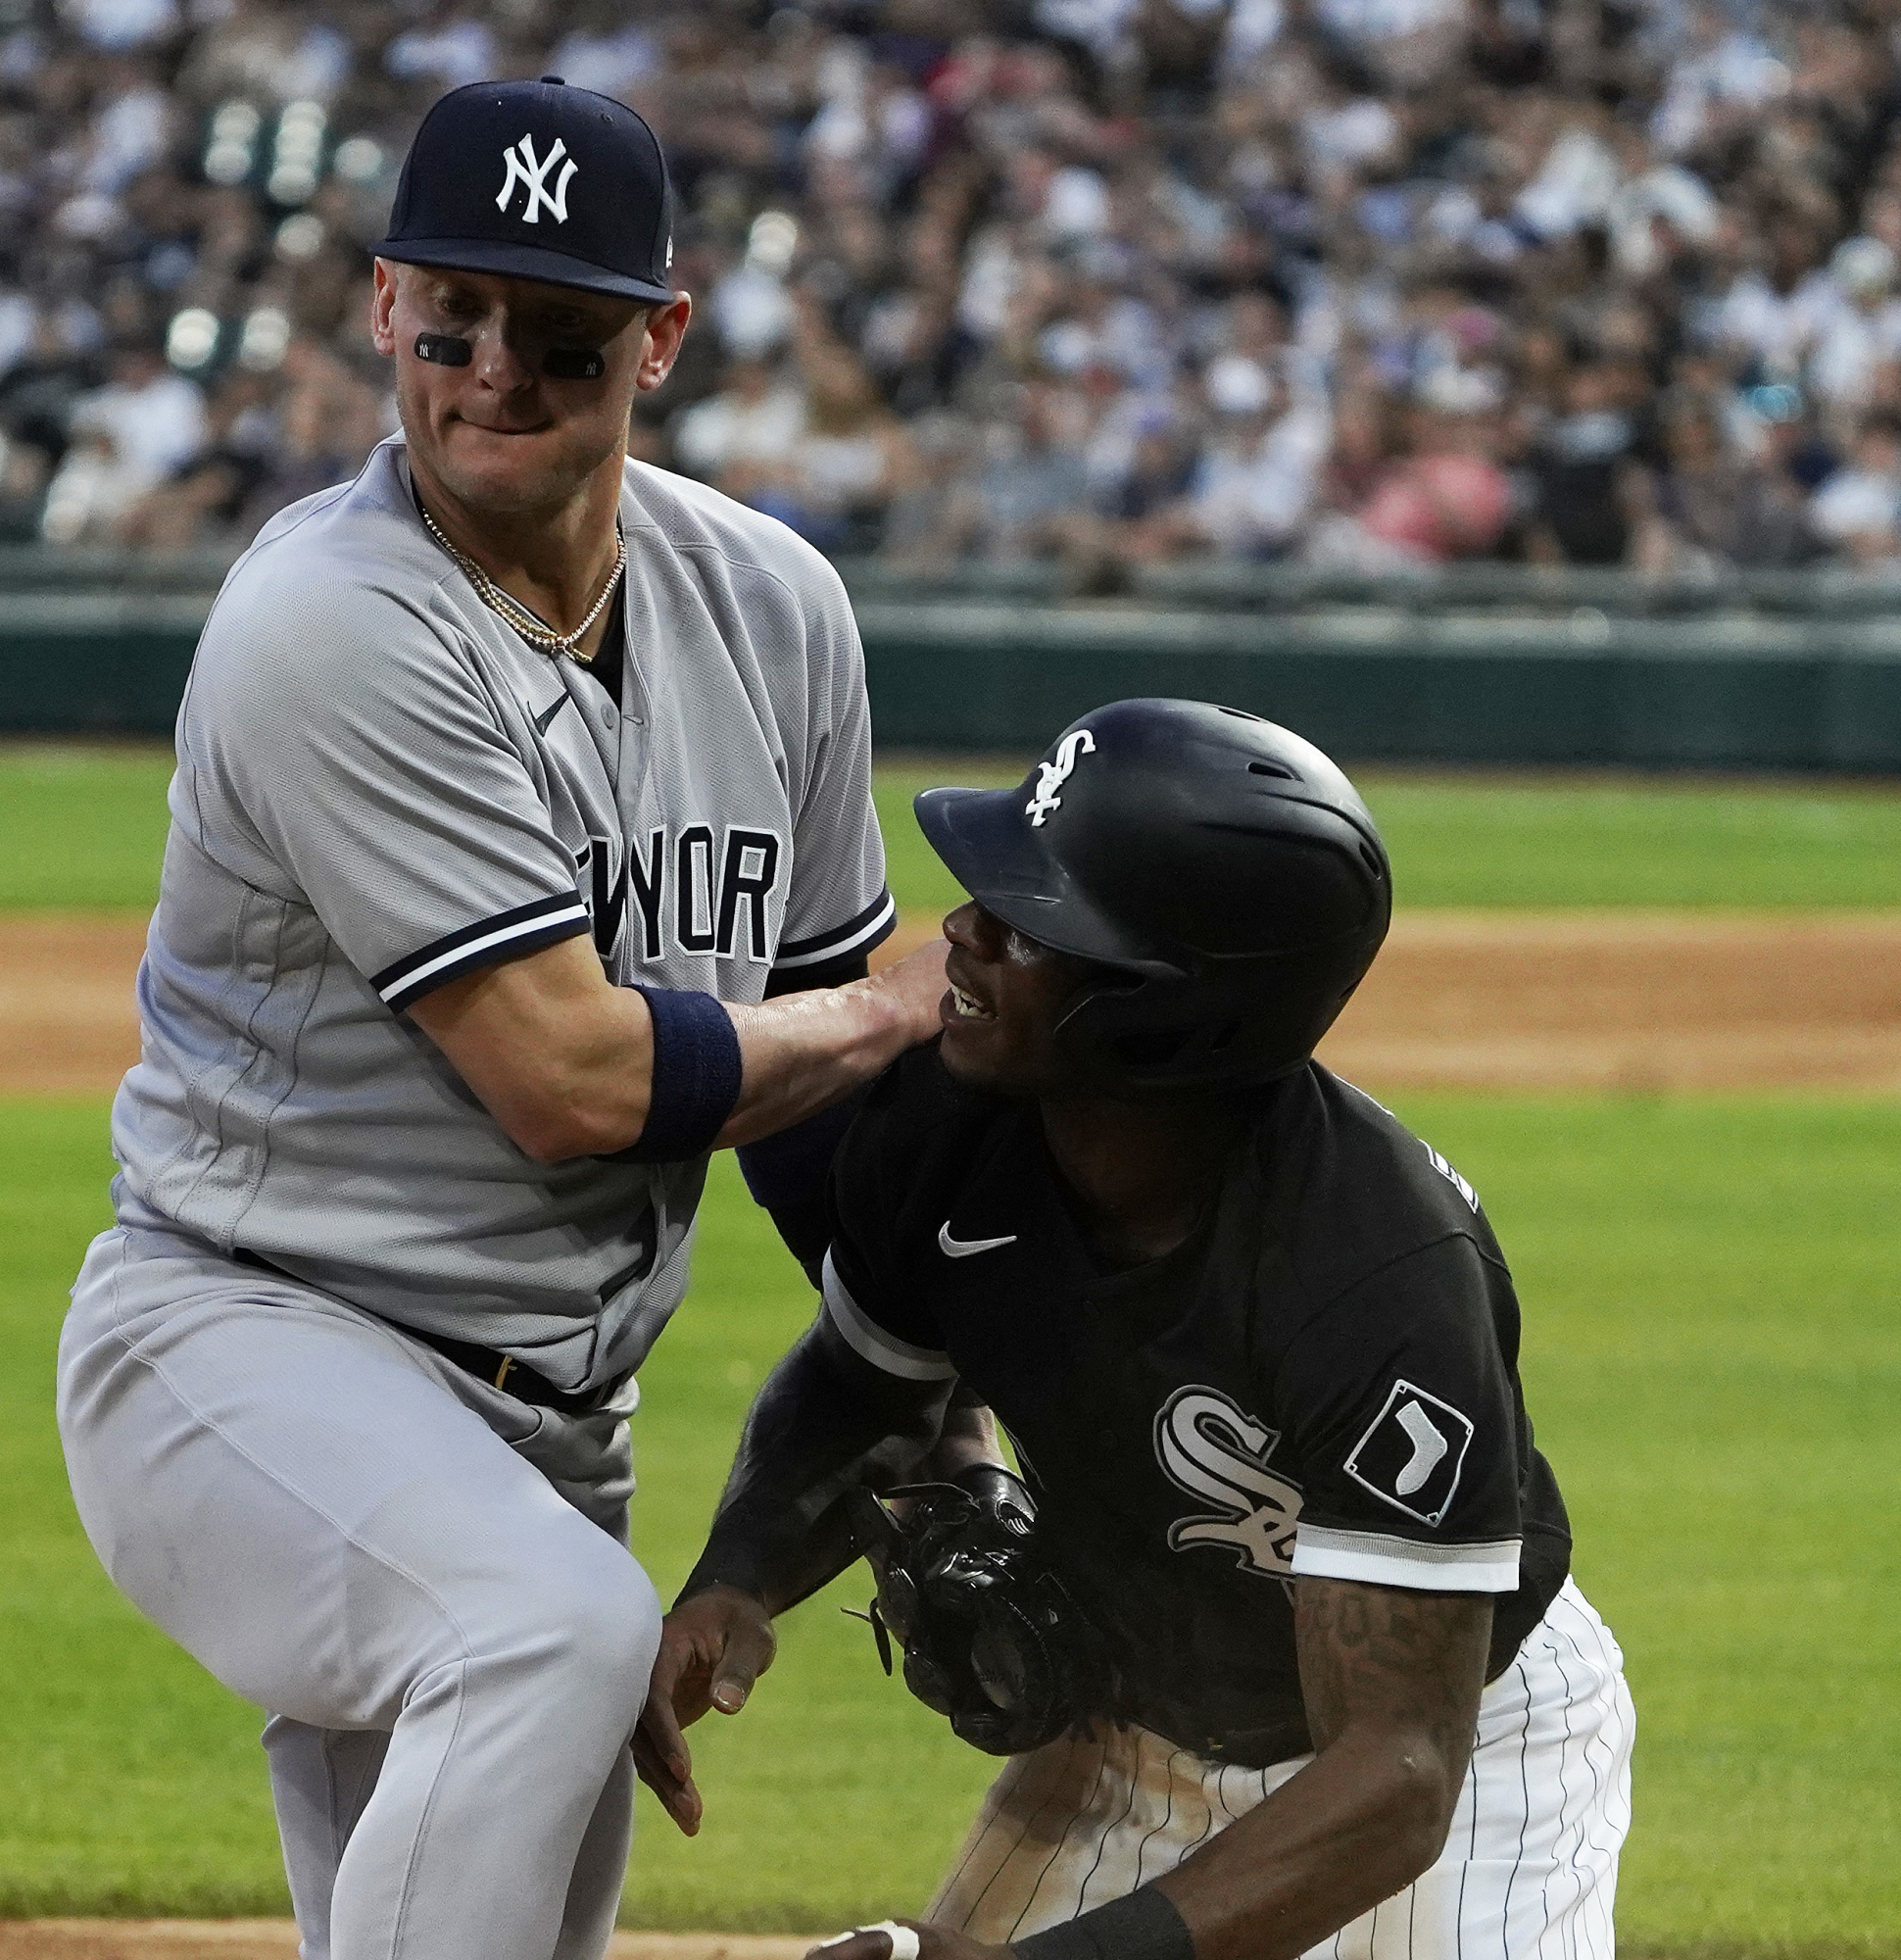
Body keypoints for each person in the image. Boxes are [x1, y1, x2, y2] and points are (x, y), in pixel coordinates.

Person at [53, 77, 946, 1960]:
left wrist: (949, 1386)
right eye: (449, 322)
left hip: (543, 1440)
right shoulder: (331, 621)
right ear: (384, 308)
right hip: (250, 1350)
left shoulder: (772, 609)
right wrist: (876, 1018)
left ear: (660, 341)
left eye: (559, 336)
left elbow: (824, 1145)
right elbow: (572, 1079)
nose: (492, 375)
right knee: (544, 1628)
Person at [646, 701, 1633, 1960]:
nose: (962, 931)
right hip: (1136, 1729)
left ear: (1162, 1012)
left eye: (1028, 923)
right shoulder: (941, 1126)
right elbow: (864, 1381)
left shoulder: (1377, 1274)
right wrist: (736, 1573)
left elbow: (1393, 1774)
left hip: (1452, 1755)